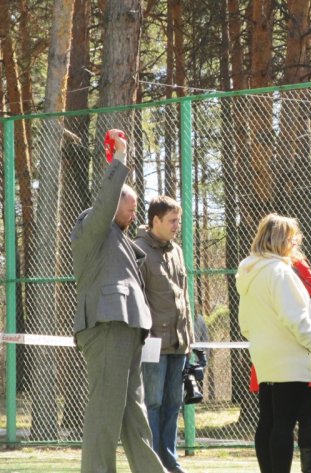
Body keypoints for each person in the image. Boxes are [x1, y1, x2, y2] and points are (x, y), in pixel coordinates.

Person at [70, 129, 166, 473]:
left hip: (128, 327)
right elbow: (104, 205)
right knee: (105, 411)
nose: (136, 210)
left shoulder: (124, 239)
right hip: (108, 324)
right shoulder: (92, 225)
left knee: (134, 414)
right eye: (132, 203)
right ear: (115, 201)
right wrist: (120, 160)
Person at [237, 214, 311, 473]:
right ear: (281, 240)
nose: (296, 242)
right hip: (290, 357)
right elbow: (298, 319)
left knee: (267, 421)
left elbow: (245, 323)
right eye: (293, 238)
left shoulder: (250, 273)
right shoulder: (280, 272)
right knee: (284, 424)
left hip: (264, 356)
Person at [136, 196, 194, 473]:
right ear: (155, 220)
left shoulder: (177, 251)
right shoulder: (137, 250)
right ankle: (153, 464)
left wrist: (190, 337)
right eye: (171, 220)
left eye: (177, 220)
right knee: (153, 403)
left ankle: (169, 461)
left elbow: (184, 297)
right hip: (152, 345)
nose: (176, 226)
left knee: (173, 404)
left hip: (179, 344)